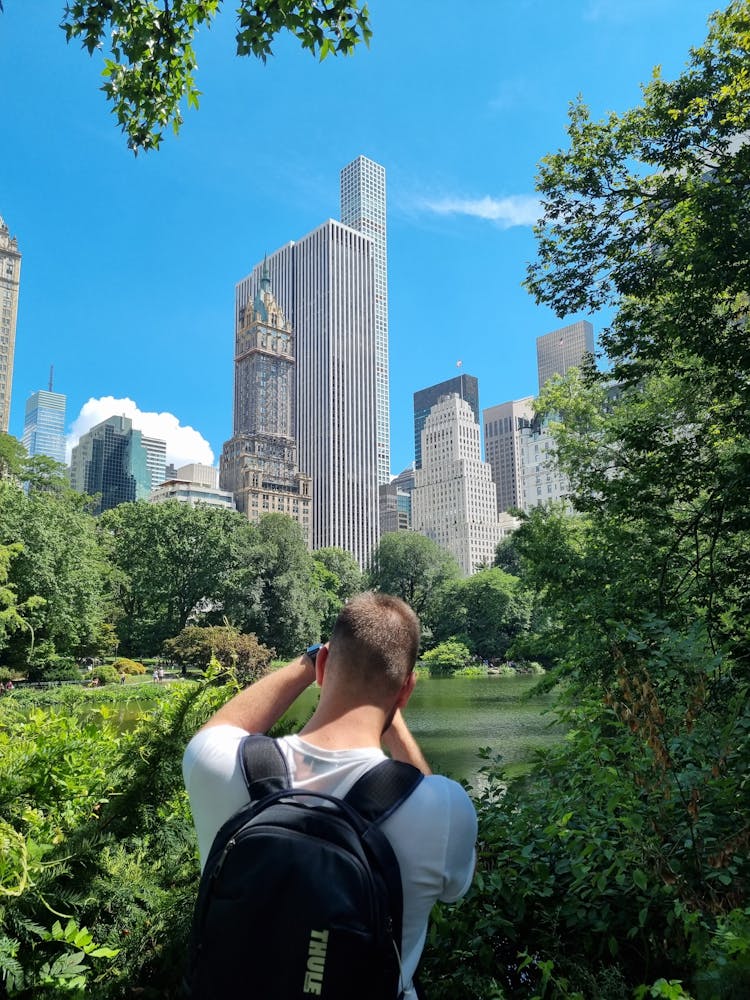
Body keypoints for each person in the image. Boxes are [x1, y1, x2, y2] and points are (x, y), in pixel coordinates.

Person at [183, 592, 477, 1000]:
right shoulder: (442, 810)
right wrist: (392, 721)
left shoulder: (219, 767)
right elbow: (453, 888)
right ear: (406, 690)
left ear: (323, 666)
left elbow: (221, 728)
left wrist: (306, 663)